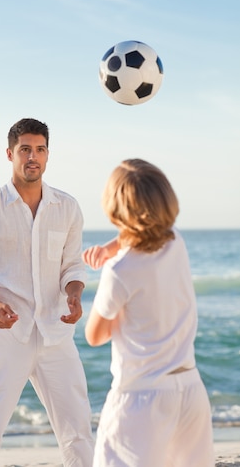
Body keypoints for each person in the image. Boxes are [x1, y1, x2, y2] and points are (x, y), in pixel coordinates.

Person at [0, 118, 94, 467]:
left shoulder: (68, 207)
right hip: (5, 335)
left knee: (77, 429)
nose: (34, 157)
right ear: (10, 154)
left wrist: (74, 294)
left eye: (40, 149)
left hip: (55, 334)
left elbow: (72, 266)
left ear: (48, 154)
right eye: (26, 150)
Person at [82, 159, 214, 467]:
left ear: (116, 209)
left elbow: (95, 335)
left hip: (141, 398)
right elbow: (142, 235)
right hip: (190, 391)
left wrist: (112, 285)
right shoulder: (176, 242)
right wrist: (109, 249)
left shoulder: (120, 271)